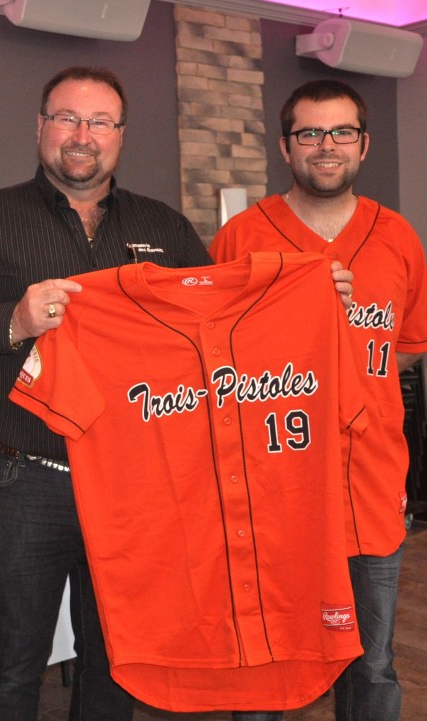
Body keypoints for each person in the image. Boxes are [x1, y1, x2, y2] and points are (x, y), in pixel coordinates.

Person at [0, 66, 350, 721]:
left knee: (119, 655)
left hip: (142, 488)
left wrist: (316, 300)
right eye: (68, 118)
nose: (82, 135)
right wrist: (13, 321)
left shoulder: (166, 227)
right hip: (26, 479)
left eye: (99, 122)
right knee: (13, 658)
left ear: (120, 136)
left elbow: (223, 335)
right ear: (41, 127)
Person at [210, 79, 427, 721]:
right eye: (309, 133)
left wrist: (349, 374)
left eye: (341, 133)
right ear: (285, 146)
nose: (325, 147)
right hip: (273, 493)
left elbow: (405, 345)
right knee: (271, 663)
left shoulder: (397, 238)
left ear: (363, 145)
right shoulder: (242, 237)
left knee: (374, 664)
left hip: (372, 486)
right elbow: (210, 359)